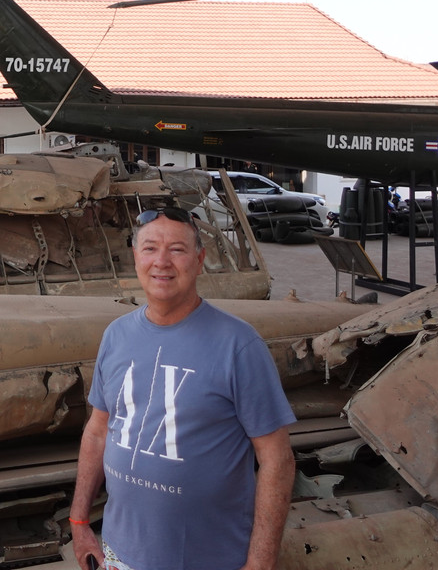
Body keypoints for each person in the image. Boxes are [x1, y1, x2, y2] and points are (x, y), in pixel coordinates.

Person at [70, 206, 295, 570]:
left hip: (209, 560)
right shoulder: (116, 335)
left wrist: (260, 563)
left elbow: (277, 459)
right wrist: (79, 521)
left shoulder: (238, 346)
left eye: (177, 249)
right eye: (150, 248)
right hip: (118, 556)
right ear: (135, 257)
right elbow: (98, 431)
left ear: (200, 259)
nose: (162, 261)